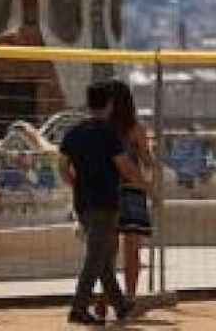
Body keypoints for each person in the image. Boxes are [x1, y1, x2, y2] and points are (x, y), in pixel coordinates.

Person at [59, 80, 142, 326]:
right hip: (105, 202)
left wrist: (75, 184)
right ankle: (79, 308)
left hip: (83, 202)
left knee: (104, 257)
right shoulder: (109, 133)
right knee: (96, 257)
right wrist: (144, 185)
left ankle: (120, 305)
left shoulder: (74, 132)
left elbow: (62, 167)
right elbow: (124, 166)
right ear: (108, 105)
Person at [107, 82, 158, 317]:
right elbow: (147, 162)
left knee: (106, 249)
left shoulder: (102, 129)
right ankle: (129, 297)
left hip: (106, 191)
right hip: (132, 191)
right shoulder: (136, 128)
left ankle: (110, 296)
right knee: (132, 250)